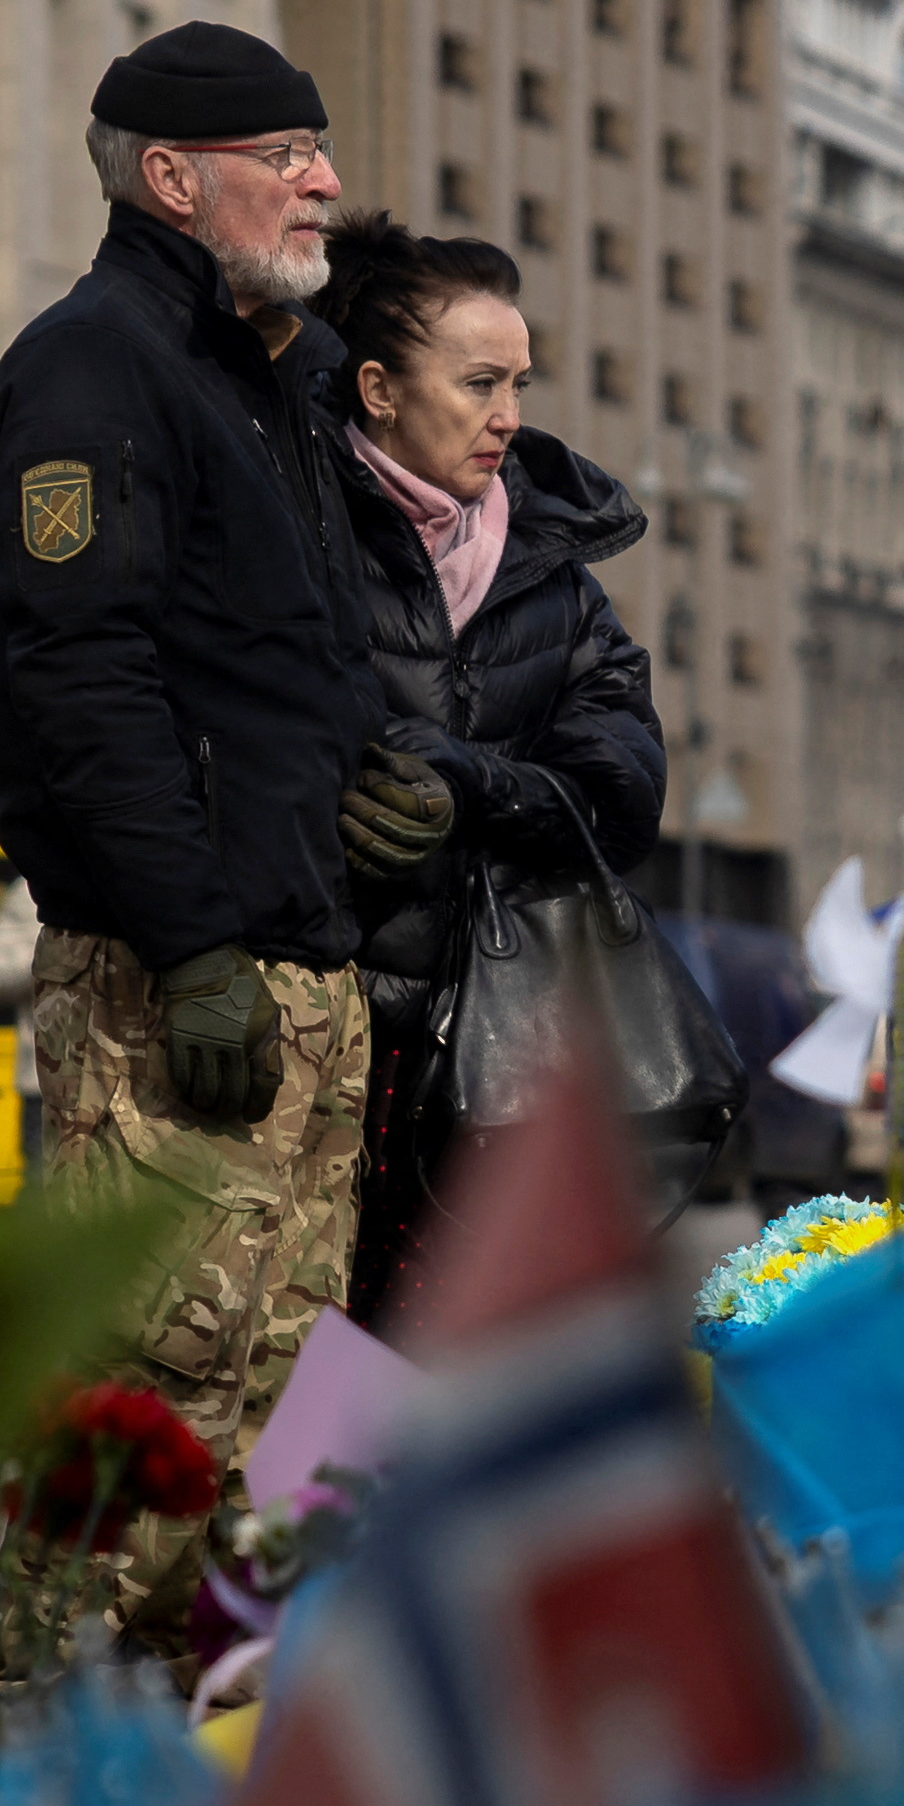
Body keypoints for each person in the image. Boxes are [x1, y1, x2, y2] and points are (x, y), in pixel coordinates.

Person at [0, 21, 392, 1653]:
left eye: (319, 149)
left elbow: (281, 663)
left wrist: (383, 791)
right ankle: (38, 1790)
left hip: (297, 978)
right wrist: (195, 941)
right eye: (287, 159)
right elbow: (81, 681)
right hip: (176, 998)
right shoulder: (95, 371)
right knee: (147, 1426)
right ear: (168, 177)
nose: (325, 185)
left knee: (287, 1448)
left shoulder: (261, 372)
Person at [306, 212, 665, 1326]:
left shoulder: (555, 572)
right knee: (322, 1373)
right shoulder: (296, 532)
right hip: (330, 1039)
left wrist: (469, 787)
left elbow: (625, 788)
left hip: (503, 1051)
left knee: (477, 1377)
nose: (508, 417)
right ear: (376, 388)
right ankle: (311, 1511)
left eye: (519, 382)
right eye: (477, 384)